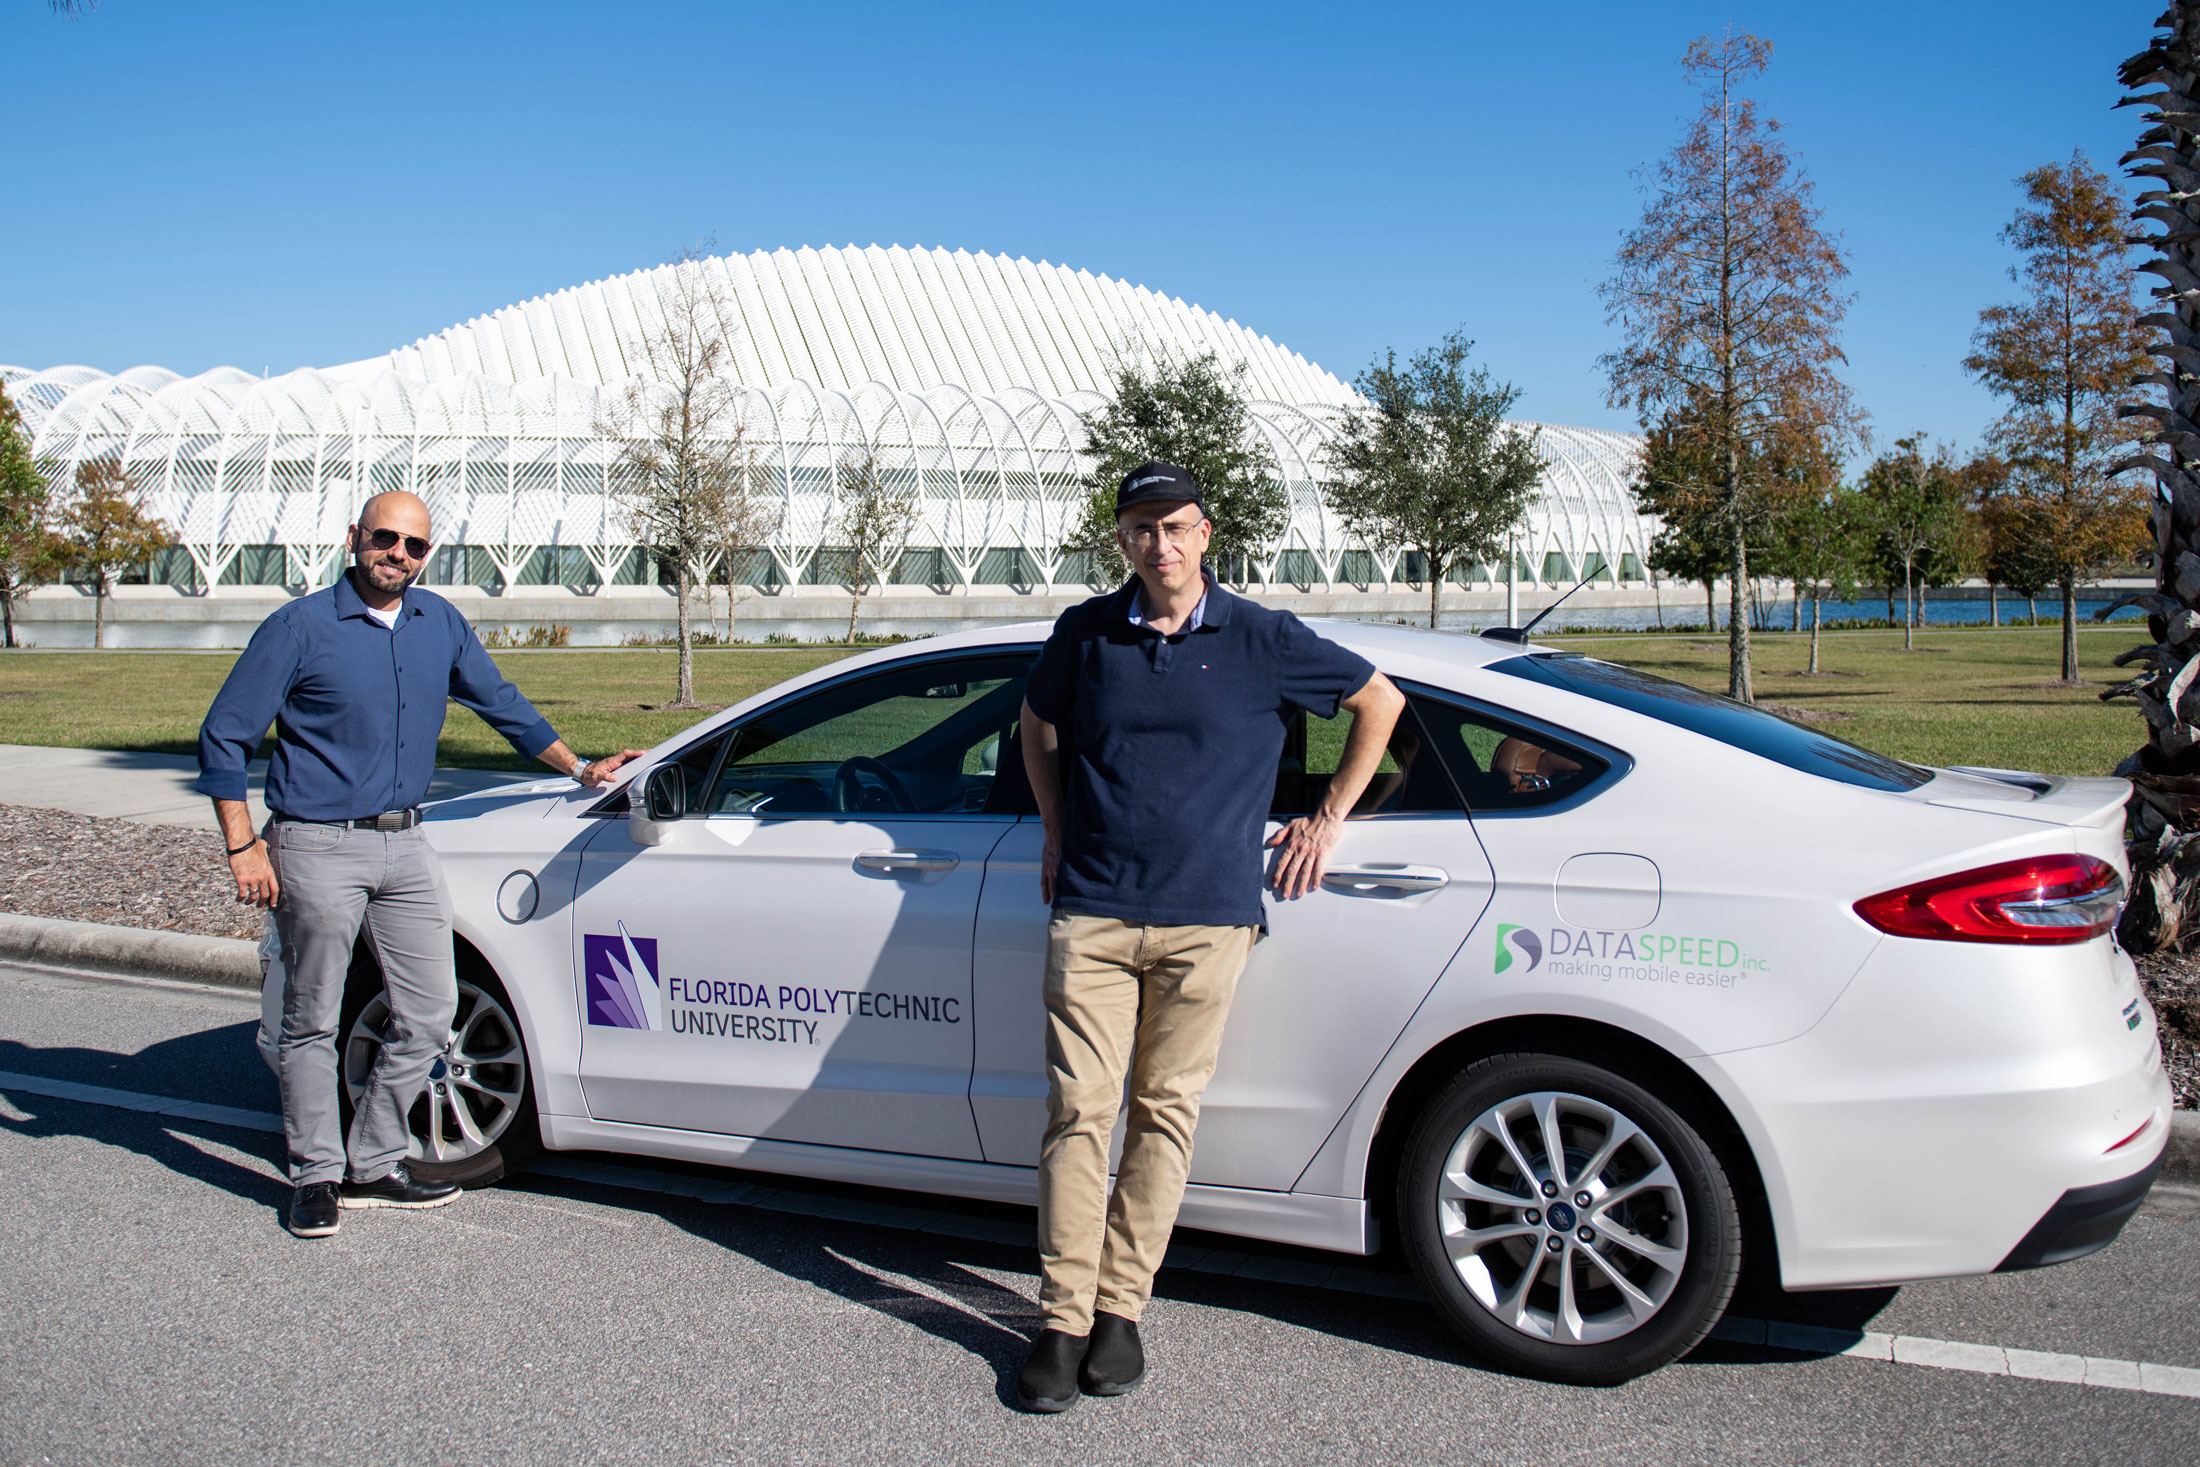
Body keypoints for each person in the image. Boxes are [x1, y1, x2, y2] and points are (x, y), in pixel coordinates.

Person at [1013, 462, 1404, 1412]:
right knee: (1078, 1114)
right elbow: (1034, 721)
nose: (1161, 544)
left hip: (1208, 919)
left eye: (1176, 526)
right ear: (1124, 540)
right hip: (1095, 912)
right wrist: (1056, 823)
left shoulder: (1262, 638)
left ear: (1206, 532)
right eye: (1143, 528)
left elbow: (1380, 703)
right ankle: (1063, 1319)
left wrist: (1329, 817)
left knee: (1164, 1113)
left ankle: (1122, 1310)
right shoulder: (1087, 632)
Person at [195, 491, 644, 1240]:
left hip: (405, 843)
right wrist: (243, 844)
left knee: (431, 1010)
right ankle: (315, 1174)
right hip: (315, 844)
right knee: (312, 1018)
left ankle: (372, 1159)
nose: (397, 553)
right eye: (384, 538)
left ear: (427, 555)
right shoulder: (299, 628)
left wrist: (580, 768)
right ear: (354, 539)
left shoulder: (438, 621)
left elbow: (500, 702)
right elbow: (223, 736)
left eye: (413, 545)